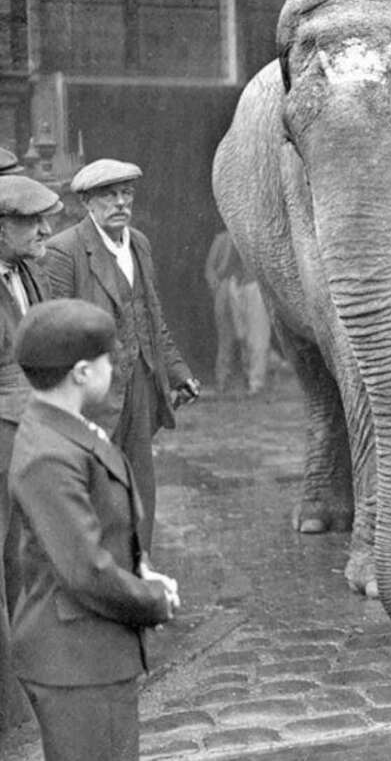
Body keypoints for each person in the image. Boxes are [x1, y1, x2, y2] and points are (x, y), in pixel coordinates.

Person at [8, 298, 179, 761]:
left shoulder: (62, 429)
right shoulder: (50, 453)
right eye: (109, 358)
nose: (115, 366)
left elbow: (99, 529)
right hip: (77, 662)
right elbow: (85, 569)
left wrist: (141, 568)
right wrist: (154, 601)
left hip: (89, 654)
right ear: (81, 372)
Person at [42, 158, 200, 557]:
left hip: (141, 383)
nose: (120, 203)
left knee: (140, 486)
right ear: (86, 203)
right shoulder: (65, 251)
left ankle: (136, 574)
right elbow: (59, 327)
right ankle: (96, 584)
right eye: (109, 195)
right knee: (95, 484)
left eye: (126, 193)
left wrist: (178, 371)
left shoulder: (140, 243)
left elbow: (152, 315)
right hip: (94, 393)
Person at [0, 175, 62, 734]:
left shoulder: (27, 272)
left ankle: (26, 679)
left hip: (28, 433)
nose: (45, 229)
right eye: (31, 221)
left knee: (23, 558)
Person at [205, 229, 272, 395]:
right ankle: (242, 380)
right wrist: (218, 287)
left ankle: (256, 383)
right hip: (234, 286)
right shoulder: (222, 239)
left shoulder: (256, 234)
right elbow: (211, 268)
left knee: (258, 337)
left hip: (254, 285)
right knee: (240, 336)